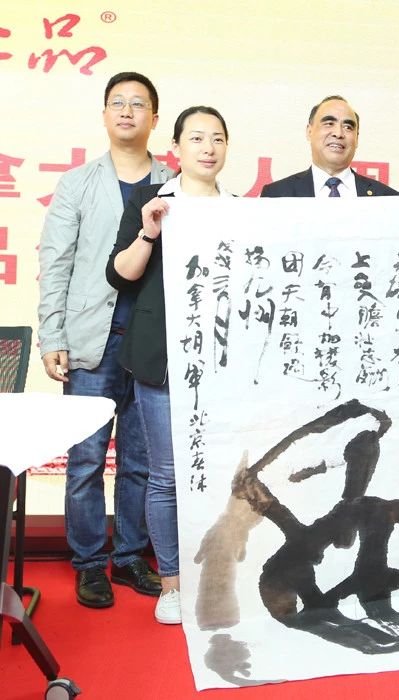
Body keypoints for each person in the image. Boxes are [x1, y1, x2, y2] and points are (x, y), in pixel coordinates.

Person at [38, 71, 171, 608]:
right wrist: (52, 334)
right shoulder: (78, 183)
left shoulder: (172, 182)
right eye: (118, 102)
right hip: (92, 338)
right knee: (87, 460)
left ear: (155, 118)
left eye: (139, 104)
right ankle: (90, 562)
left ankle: (130, 556)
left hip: (152, 344)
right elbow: (56, 262)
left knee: (141, 460)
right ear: (104, 114)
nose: (127, 111)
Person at [107, 106, 235, 624]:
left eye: (218, 138)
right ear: (177, 148)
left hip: (222, 364)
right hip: (161, 361)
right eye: (197, 138)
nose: (208, 148)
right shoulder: (151, 201)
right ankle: (173, 584)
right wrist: (149, 232)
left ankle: (218, 577)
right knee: (165, 475)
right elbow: (121, 275)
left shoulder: (240, 210)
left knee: (222, 472)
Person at [260, 95, 399, 198]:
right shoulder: (276, 194)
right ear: (309, 131)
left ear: (357, 138)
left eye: (348, 127)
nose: (338, 133)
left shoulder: (388, 198)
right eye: (329, 123)